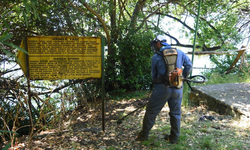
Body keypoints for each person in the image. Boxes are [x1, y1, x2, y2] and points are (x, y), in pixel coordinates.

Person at [136, 35, 192, 144]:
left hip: (162, 89)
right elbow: (189, 66)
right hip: (177, 88)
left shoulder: (156, 57)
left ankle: (144, 136)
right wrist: (182, 78)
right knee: (176, 113)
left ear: (158, 43)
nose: (154, 47)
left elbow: (153, 76)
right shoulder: (179, 52)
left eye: (154, 45)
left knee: (151, 112)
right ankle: (173, 138)